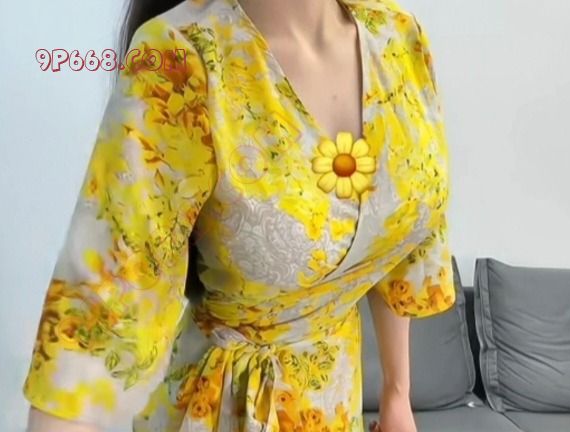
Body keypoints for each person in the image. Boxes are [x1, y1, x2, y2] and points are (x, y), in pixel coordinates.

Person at [24, 0, 455, 431]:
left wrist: (397, 393)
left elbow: (403, 228)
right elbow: (99, 317)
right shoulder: (182, 57)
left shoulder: (397, 38)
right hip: (226, 408)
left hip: (337, 402)